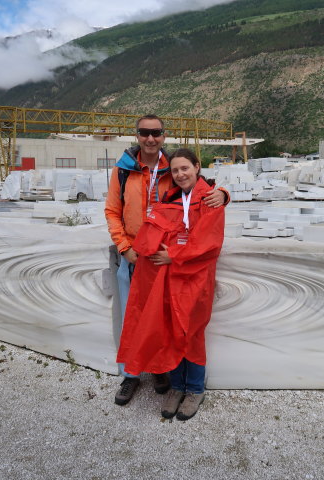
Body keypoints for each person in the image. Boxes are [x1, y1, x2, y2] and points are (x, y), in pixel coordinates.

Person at [104, 115, 228, 406]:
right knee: (135, 319)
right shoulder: (122, 171)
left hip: (166, 263)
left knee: (167, 323)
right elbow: (112, 211)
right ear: (137, 135)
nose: (150, 138)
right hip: (135, 256)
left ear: (163, 136)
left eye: (156, 132)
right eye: (145, 133)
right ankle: (131, 375)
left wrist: (223, 193)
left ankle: (164, 376)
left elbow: (201, 192)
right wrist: (124, 247)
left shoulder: (168, 169)